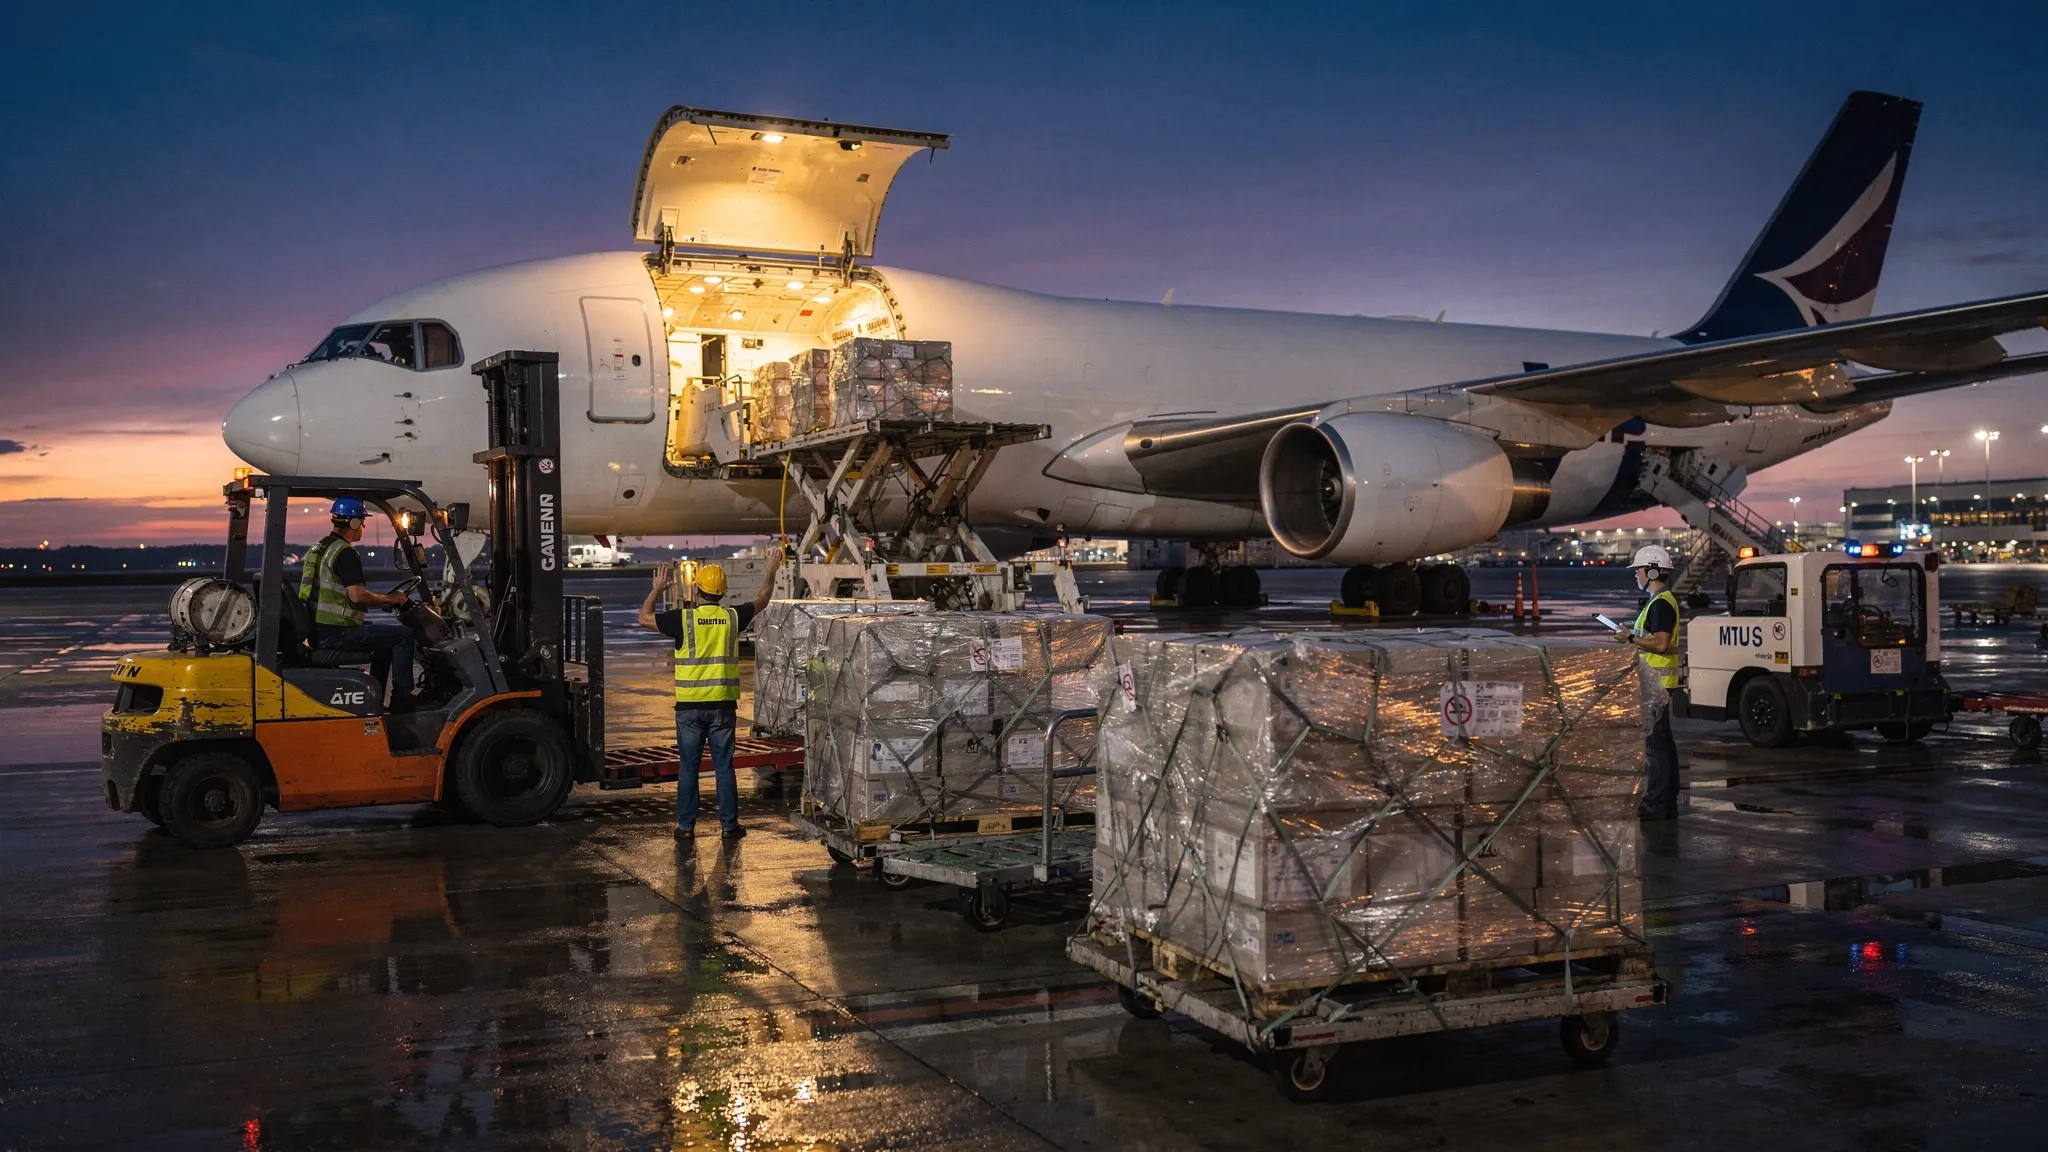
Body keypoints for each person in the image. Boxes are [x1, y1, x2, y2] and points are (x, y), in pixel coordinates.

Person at [639, 551, 783, 844]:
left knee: (689, 769)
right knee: (723, 768)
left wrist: (657, 589)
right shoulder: (732, 617)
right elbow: (763, 599)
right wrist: (771, 570)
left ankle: (686, 827)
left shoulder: (683, 619)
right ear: (723, 592)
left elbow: (644, 619)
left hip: (690, 710)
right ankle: (729, 827)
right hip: (722, 708)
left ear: (697, 589)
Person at [301, 497, 417, 710]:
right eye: (362, 522)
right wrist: (390, 599)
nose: (363, 527)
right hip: (337, 634)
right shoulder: (344, 552)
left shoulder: (319, 548)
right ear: (354, 523)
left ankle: (376, 698)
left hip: (319, 630)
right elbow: (357, 595)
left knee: (384, 638)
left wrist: (382, 599)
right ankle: (403, 700)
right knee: (404, 636)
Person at [1612, 545, 1681, 821]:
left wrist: (1629, 638)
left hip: (1658, 685)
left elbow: (1661, 644)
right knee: (1663, 744)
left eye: (1639, 570)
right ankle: (1666, 802)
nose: (1637, 576)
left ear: (1651, 571)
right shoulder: (1658, 602)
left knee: (1655, 747)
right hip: (1658, 683)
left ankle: (1657, 803)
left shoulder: (1661, 603)